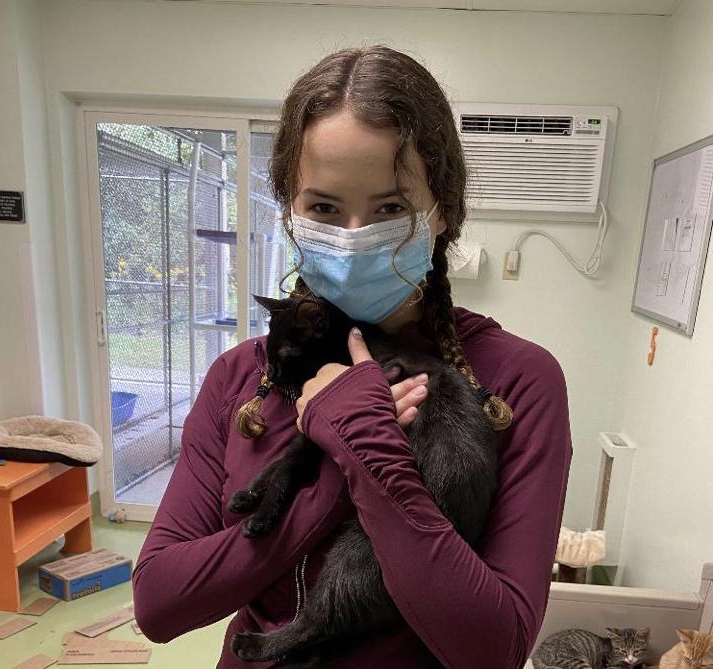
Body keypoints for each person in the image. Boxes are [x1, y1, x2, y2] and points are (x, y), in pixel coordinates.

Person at [132, 44, 572, 669]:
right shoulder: (241, 376)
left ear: (442, 211)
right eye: (323, 208)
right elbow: (159, 603)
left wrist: (372, 454)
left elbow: (492, 650)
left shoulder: (516, 380)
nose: (353, 235)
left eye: (390, 208)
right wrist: (332, 480)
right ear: (289, 211)